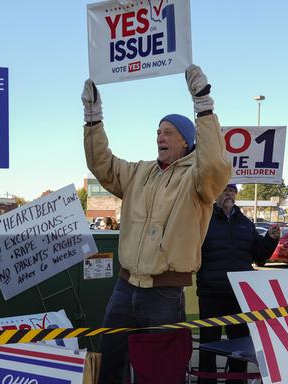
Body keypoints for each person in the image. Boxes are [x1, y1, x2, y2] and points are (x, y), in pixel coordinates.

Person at [81, 65, 231, 383]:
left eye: (168, 132)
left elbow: (215, 163)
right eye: (158, 132)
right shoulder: (140, 172)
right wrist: (93, 116)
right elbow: (101, 163)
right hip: (125, 287)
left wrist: (203, 106)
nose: (160, 137)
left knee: (159, 372)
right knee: (111, 361)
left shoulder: (198, 179)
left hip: (164, 295)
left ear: (186, 141)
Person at [196, 184, 279, 383]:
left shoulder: (245, 222)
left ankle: (237, 380)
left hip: (239, 294)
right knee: (208, 344)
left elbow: (259, 257)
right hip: (211, 293)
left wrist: (270, 239)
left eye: (232, 190)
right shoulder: (203, 219)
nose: (229, 194)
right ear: (215, 193)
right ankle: (206, 381)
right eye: (224, 190)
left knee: (240, 345)